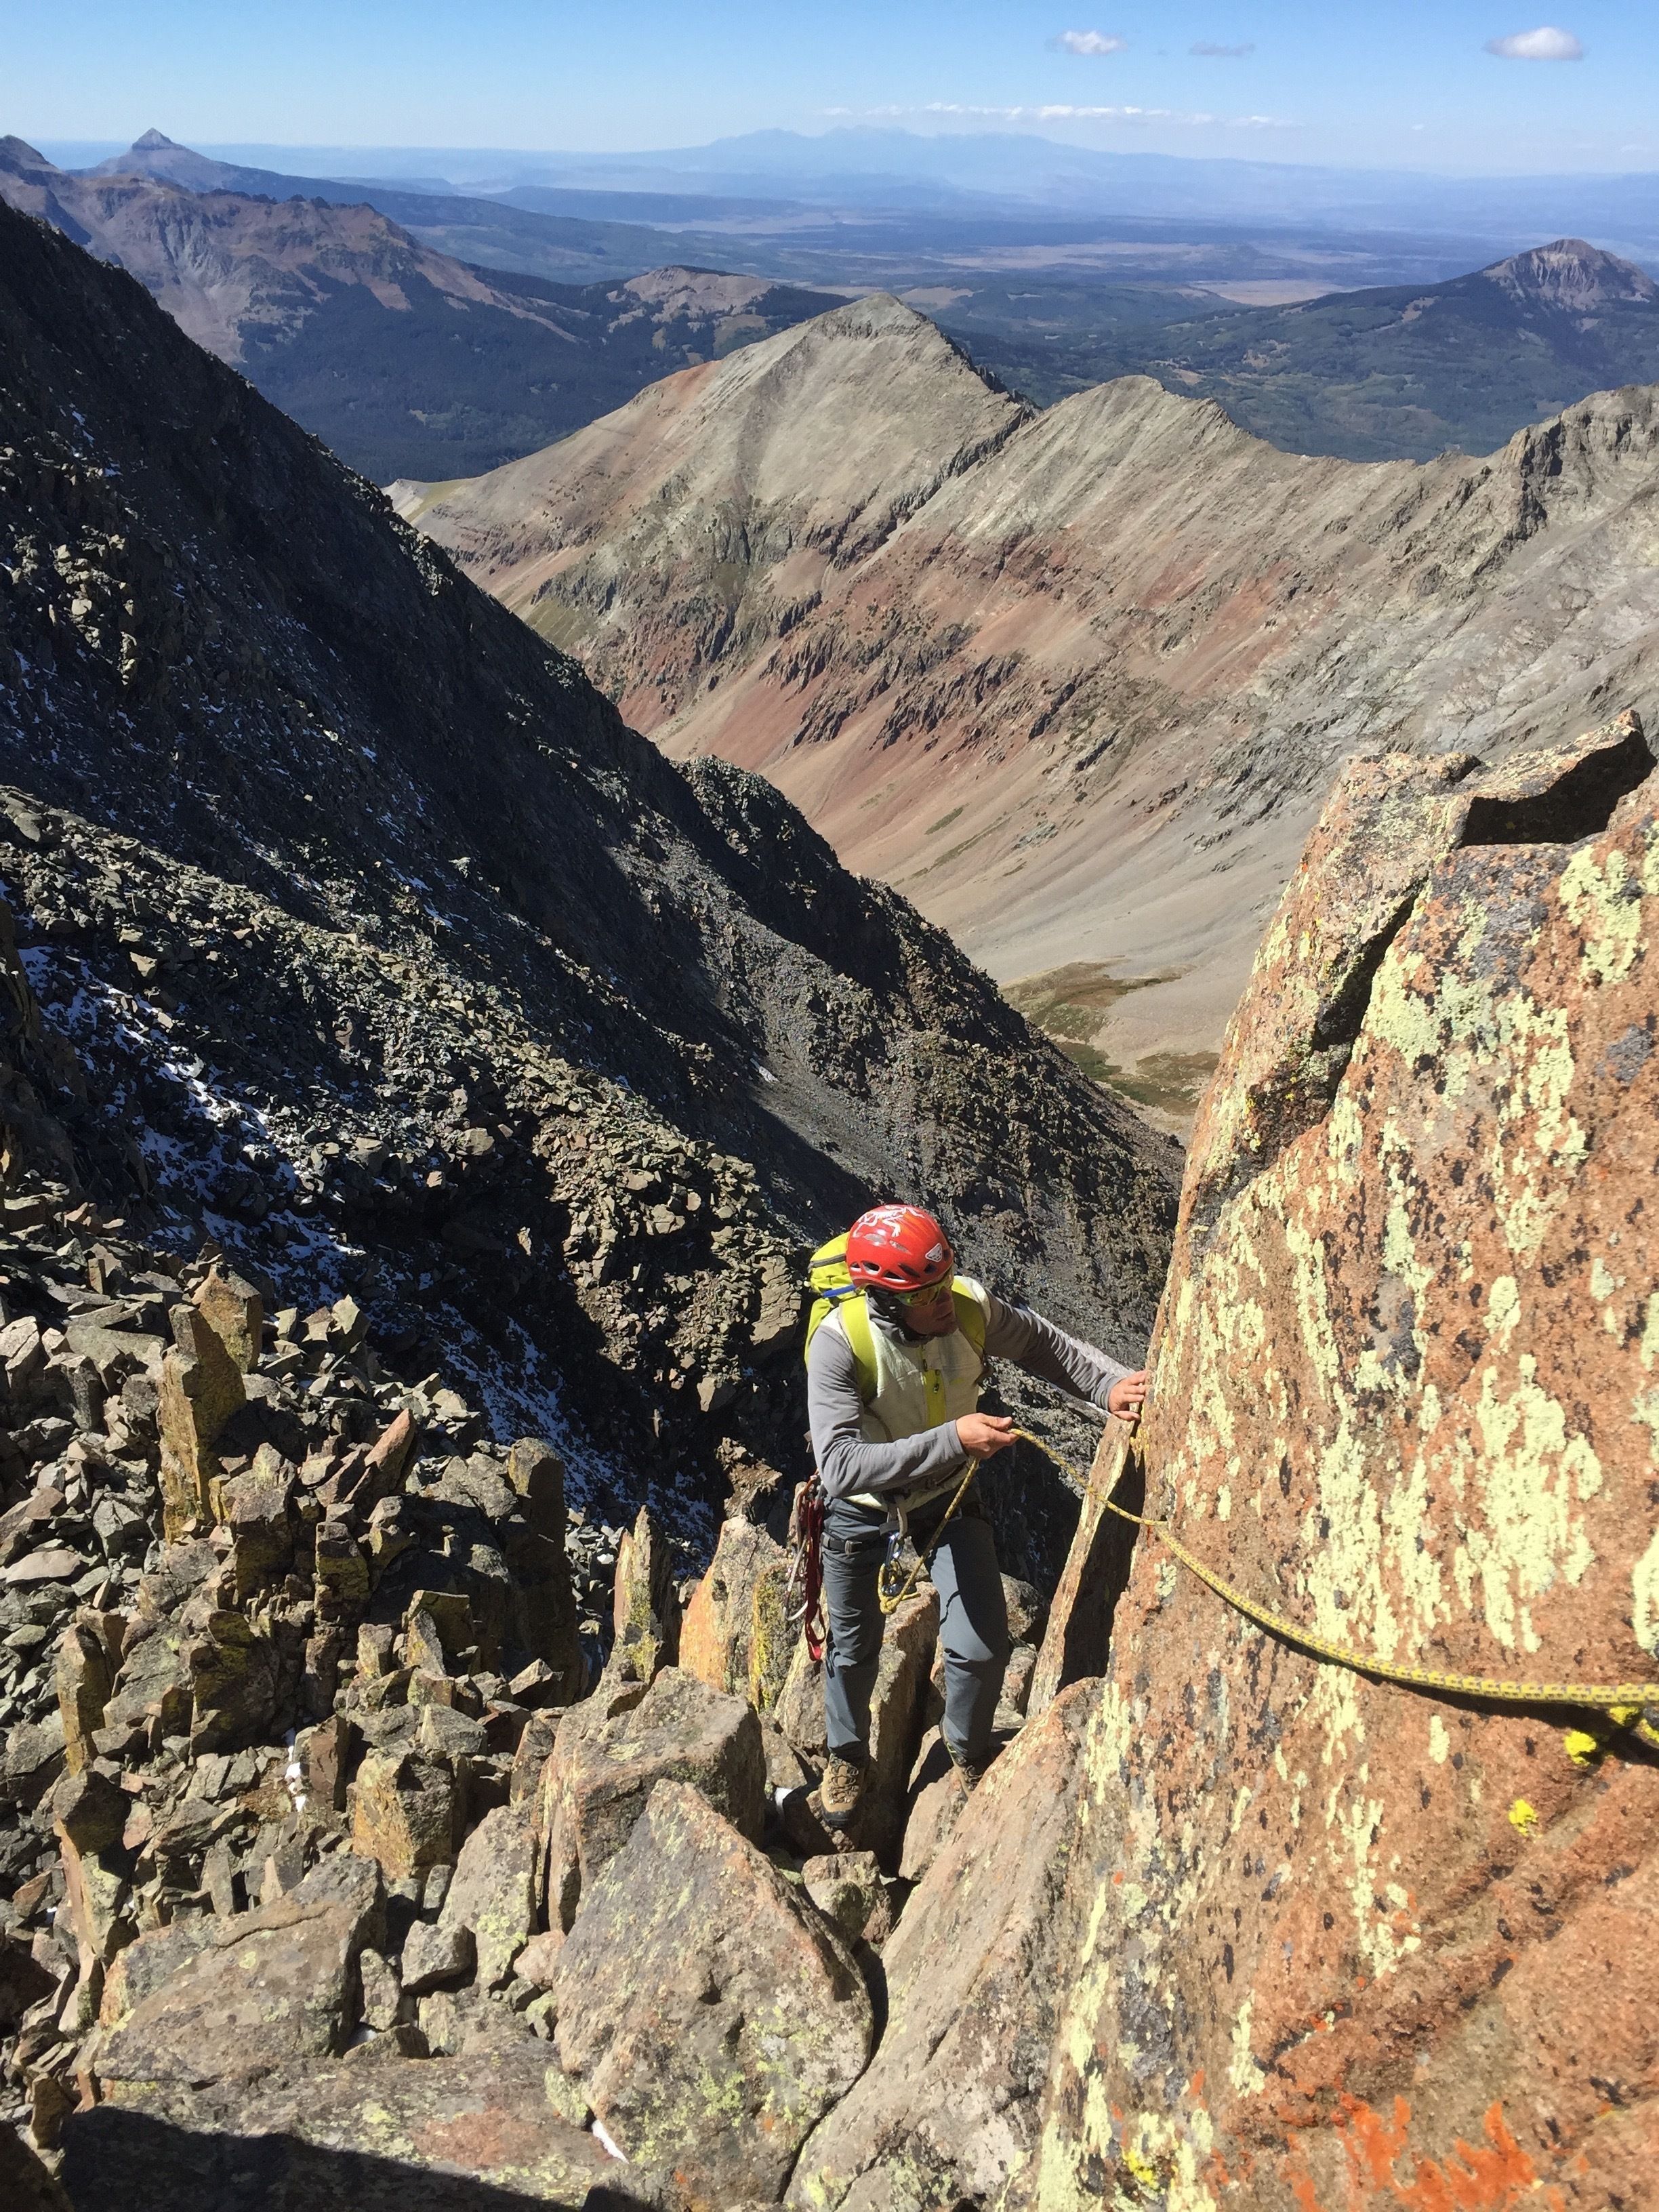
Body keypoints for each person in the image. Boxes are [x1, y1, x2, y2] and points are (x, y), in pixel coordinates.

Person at [806, 1202, 1147, 1828]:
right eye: (926, 1293)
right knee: (854, 1649)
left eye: (945, 1281)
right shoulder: (839, 1345)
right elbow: (840, 1467)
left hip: (947, 1495)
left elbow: (1042, 1345)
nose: (943, 1299)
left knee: (984, 1644)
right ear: (884, 1297)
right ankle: (847, 1753)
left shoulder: (967, 1308)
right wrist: (956, 1440)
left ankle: (967, 1749)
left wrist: (1108, 1388)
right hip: (864, 1509)